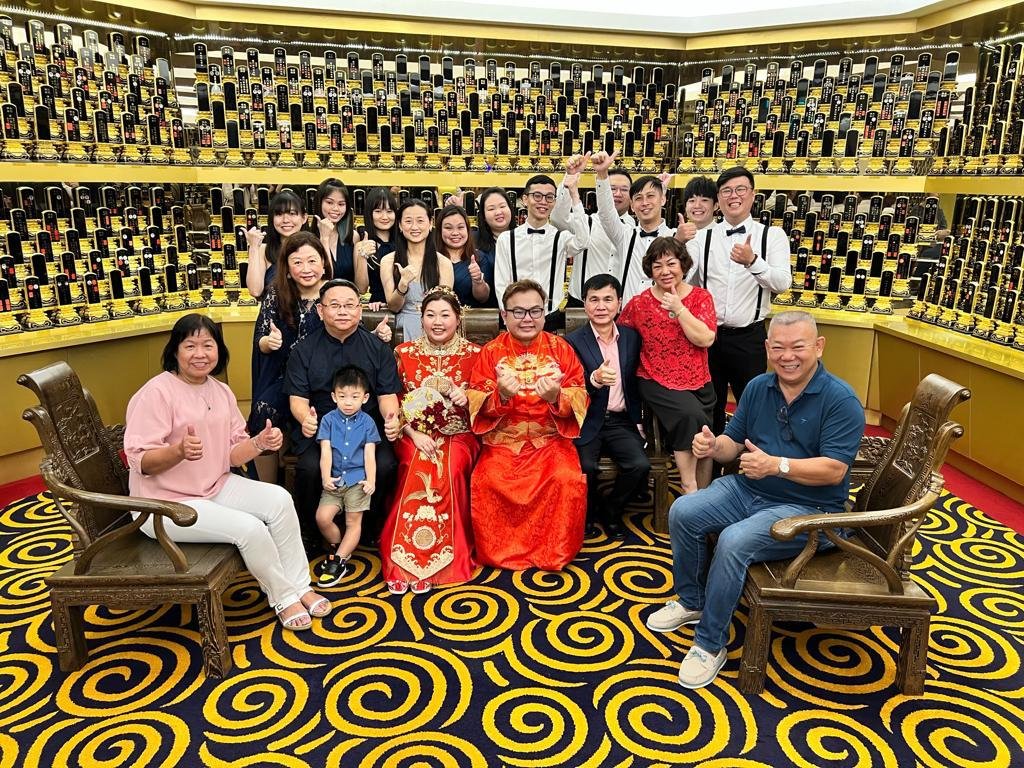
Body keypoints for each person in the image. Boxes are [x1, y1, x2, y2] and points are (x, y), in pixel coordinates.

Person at [645, 310, 865, 689]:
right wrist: (714, 445)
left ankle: (709, 644)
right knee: (684, 510)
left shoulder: (840, 398)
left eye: (798, 347)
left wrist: (776, 465)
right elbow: (735, 445)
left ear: (818, 346)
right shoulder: (758, 387)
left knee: (734, 541)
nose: (788, 356)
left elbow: (834, 471)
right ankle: (693, 600)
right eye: (778, 347)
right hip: (750, 489)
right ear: (767, 349)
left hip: (811, 510)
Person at [123, 314, 330, 631]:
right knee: (250, 528)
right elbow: (139, 460)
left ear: (219, 350)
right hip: (165, 505)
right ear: (175, 351)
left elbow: (234, 452)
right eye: (190, 345)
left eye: (208, 345)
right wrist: (178, 451)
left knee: (279, 499)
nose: (200, 353)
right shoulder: (156, 393)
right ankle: (284, 597)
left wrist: (260, 443)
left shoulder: (220, 391)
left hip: (214, 487)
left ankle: (301, 585)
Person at [468, 279, 589, 571]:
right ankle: (501, 553)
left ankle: (552, 553)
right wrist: (501, 395)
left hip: (549, 440)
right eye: (518, 312)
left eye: (535, 311)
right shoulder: (490, 352)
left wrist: (556, 397)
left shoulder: (561, 349)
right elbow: (474, 399)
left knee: (564, 478)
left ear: (545, 313)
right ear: (504, 314)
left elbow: (581, 393)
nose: (527, 319)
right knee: (487, 481)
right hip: (503, 442)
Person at [285, 278, 402, 549]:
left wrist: (391, 419)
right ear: (320, 310)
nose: (342, 311)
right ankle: (315, 533)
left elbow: (386, 395)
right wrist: (306, 420)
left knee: (385, 465)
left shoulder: (377, 349)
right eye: (334, 305)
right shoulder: (304, 350)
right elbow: (297, 399)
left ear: (360, 310)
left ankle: (371, 528)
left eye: (350, 305)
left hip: (366, 428)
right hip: (322, 429)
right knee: (309, 468)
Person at [380, 287, 482, 594]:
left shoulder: (476, 355)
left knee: (448, 468)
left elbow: (484, 401)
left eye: (445, 315)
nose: (437, 322)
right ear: (421, 317)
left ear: (458, 317)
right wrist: (413, 432)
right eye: (430, 315)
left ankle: (446, 560)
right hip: (413, 433)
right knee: (416, 461)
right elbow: (394, 401)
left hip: (459, 434)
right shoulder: (404, 354)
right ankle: (403, 561)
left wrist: (466, 398)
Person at [686, 167, 792, 439]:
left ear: (753, 195)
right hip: (709, 338)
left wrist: (753, 262)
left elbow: (782, 283)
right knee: (710, 407)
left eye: (740, 189)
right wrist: (678, 242)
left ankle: (749, 470)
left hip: (749, 338)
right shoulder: (702, 237)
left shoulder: (773, 236)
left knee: (753, 406)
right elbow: (684, 276)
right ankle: (712, 473)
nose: (733, 196)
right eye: (726, 191)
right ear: (719, 200)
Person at [619, 237, 717, 495]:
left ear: (683, 264)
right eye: (657, 265)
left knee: (705, 430)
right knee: (689, 416)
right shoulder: (639, 303)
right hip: (654, 377)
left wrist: (679, 309)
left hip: (698, 378)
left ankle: (702, 498)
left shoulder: (700, 298)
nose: (665, 271)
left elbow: (705, 338)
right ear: (649, 270)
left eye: (671, 263)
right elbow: (619, 335)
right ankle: (688, 485)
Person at [566, 274, 649, 538]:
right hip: (587, 419)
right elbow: (570, 387)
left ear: (619, 303)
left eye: (607, 299)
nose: (601, 306)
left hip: (622, 420)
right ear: (585, 304)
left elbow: (639, 381)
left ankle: (612, 509)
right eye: (594, 300)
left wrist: (640, 422)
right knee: (585, 467)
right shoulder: (573, 341)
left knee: (639, 465)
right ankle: (589, 512)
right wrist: (594, 380)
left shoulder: (632, 338)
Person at [248, 231, 330, 483]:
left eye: (312, 260)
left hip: (325, 378)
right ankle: (269, 489)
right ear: (286, 267)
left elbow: (351, 330)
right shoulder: (276, 294)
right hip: (284, 376)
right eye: (297, 262)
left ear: (324, 263)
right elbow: (260, 339)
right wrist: (269, 342)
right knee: (264, 410)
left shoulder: (334, 292)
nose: (306, 269)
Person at [590, 150, 697, 303]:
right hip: (629, 318)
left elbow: (688, 275)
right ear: (632, 206)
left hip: (665, 317)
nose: (645, 203)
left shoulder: (678, 236)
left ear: (663, 199)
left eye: (651, 196)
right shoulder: (625, 235)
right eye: (638, 198)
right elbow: (606, 213)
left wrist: (678, 243)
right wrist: (602, 175)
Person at [494, 175, 590, 330]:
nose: (543, 202)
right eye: (537, 196)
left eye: (549, 197)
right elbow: (501, 284)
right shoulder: (506, 239)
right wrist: (507, 317)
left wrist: (574, 195)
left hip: (551, 317)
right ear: (525, 199)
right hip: (516, 317)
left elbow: (583, 241)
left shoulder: (561, 237)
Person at [315, 365, 379, 587]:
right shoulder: (328, 420)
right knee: (323, 517)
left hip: (357, 481)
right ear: (334, 396)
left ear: (365, 397)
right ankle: (339, 546)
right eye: (342, 396)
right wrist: (325, 477)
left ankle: (338, 561)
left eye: (355, 396)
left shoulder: (368, 423)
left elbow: (370, 455)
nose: (348, 402)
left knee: (353, 522)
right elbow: (325, 452)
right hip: (333, 481)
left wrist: (371, 480)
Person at [551, 157, 633, 306]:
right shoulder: (586, 222)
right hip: (580, 302)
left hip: (620, 304)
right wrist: (569, 178)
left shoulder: (635, 229)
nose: (618, 194)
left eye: (624, 190)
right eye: (612, 188)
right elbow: (558, 218)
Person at [381, 199, 455, 341]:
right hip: (402, 327)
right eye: (408, 221)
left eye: (420, 221)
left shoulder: (443, 263)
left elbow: (444, 305)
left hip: (436, 327)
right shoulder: (388, 261)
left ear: (430, 223)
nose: (414, 227)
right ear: (400, 226)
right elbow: (394, 307)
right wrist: (402, 285)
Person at [244, 189, 307, 299]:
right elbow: (255, 291)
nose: (285, 220)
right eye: (279, 214)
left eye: (292, 213)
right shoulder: (263, 250)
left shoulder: (313, 248)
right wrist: (253, 247)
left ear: (304, 218)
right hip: (272, 315)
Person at [314, 177, 370, 294]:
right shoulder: (308, 238)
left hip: (347, 304)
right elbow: (325, 281)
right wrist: (324, 238)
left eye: (341, 204)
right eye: (329, 202)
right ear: (319, 202)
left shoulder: (352, 236)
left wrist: (363, 255)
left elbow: (362, 288)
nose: (335, 208)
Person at [438, 205, 493, 307]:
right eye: (448, 228)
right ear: (439, 230)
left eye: (460, 227)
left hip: (471, 319)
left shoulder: (479, 258)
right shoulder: (432, 258)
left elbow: (483, 298)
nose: (455, 233)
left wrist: (478, 281)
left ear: (468, 229)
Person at [361, 187, 399, 308]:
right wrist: (363, 255)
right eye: (378, 211)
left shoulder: (404, 241)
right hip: (377, 307)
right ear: (369, 213)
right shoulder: (362, 242)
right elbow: (362, 288)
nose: (384, 217)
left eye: (389, 211)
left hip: (405, 306)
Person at [474, 186, 513, 290]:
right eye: (491, 209)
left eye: (502, 206)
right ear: (483, 216)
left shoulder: (523, 237)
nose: (498, 212)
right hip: (487, 303)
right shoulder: (473, 241)